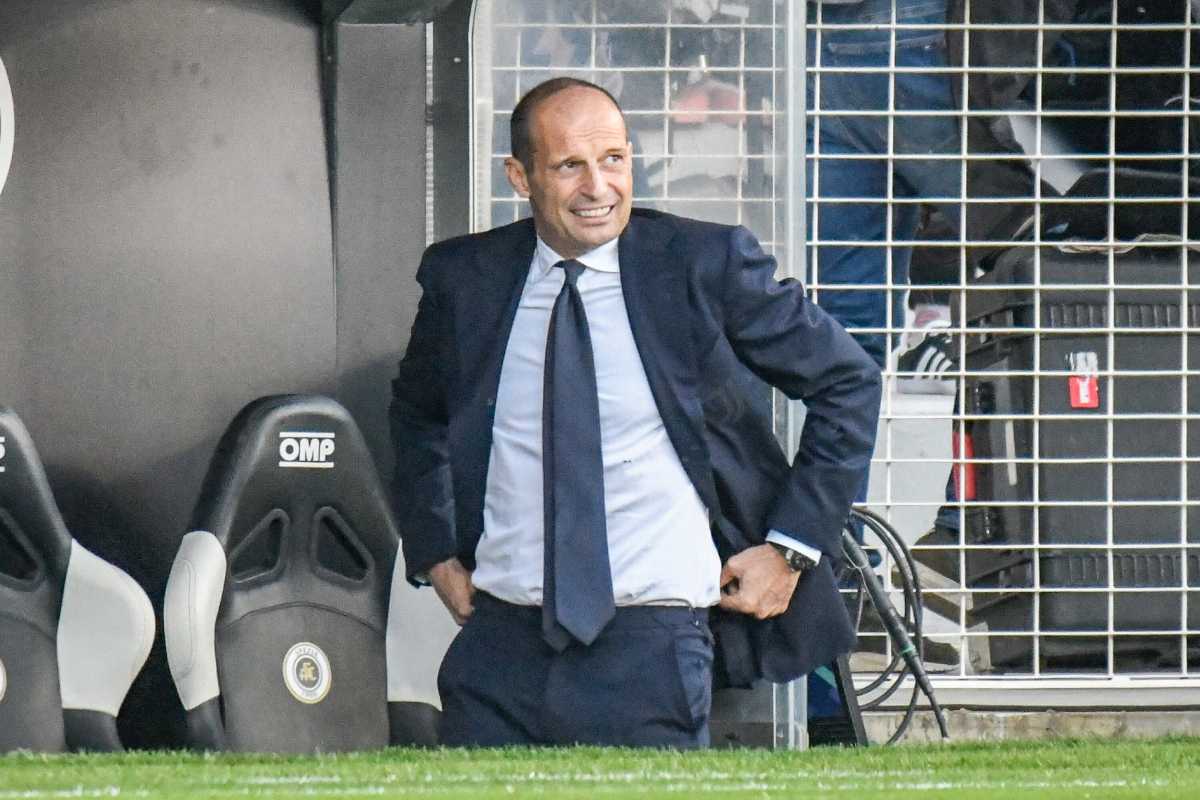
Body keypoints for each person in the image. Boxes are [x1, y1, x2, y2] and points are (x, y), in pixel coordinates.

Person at [389, 77, 881, 747]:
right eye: (570, 166)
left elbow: (848, 382)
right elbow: (417, 415)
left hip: (654, 643)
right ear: (520, 176)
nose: (599, 187)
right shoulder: (465, 278)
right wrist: (436, 553)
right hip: (498, 643)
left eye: (614, 159)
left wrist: (791, 549)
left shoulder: (702, 263)